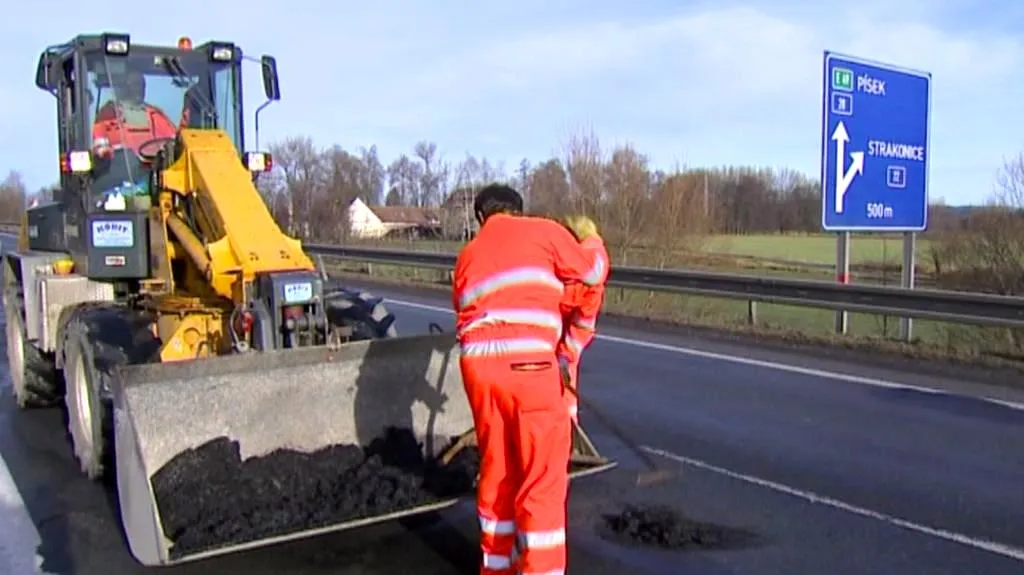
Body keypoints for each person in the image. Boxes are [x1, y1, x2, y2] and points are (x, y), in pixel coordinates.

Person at [452, 184, 606, 575]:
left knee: (498, 469)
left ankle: (496, 566)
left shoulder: (467, 255)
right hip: (530, 369)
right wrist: (592, 241)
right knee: (542, 480)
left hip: (479, 370)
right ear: (519, 210)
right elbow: (592, 271)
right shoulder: (544, 232)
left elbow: (465, 309)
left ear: (481, 217)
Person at [555, 215, 611, 423]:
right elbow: (584, 323)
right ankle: (568, 423)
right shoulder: (594, 271)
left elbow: (582, 323)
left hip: (548, 330)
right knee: (564, 375)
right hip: (556, 329)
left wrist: (564, 354)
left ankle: (565, 422)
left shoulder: (565, 262)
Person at [91, 69, 177, 159]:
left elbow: (175, 142)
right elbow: (100, 149)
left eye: (142, 85)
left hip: (157, 166)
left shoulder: (156, 115)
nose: (140, 89)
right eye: (135, 85)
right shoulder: (108, 114)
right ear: (124, 87)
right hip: (120, 166)